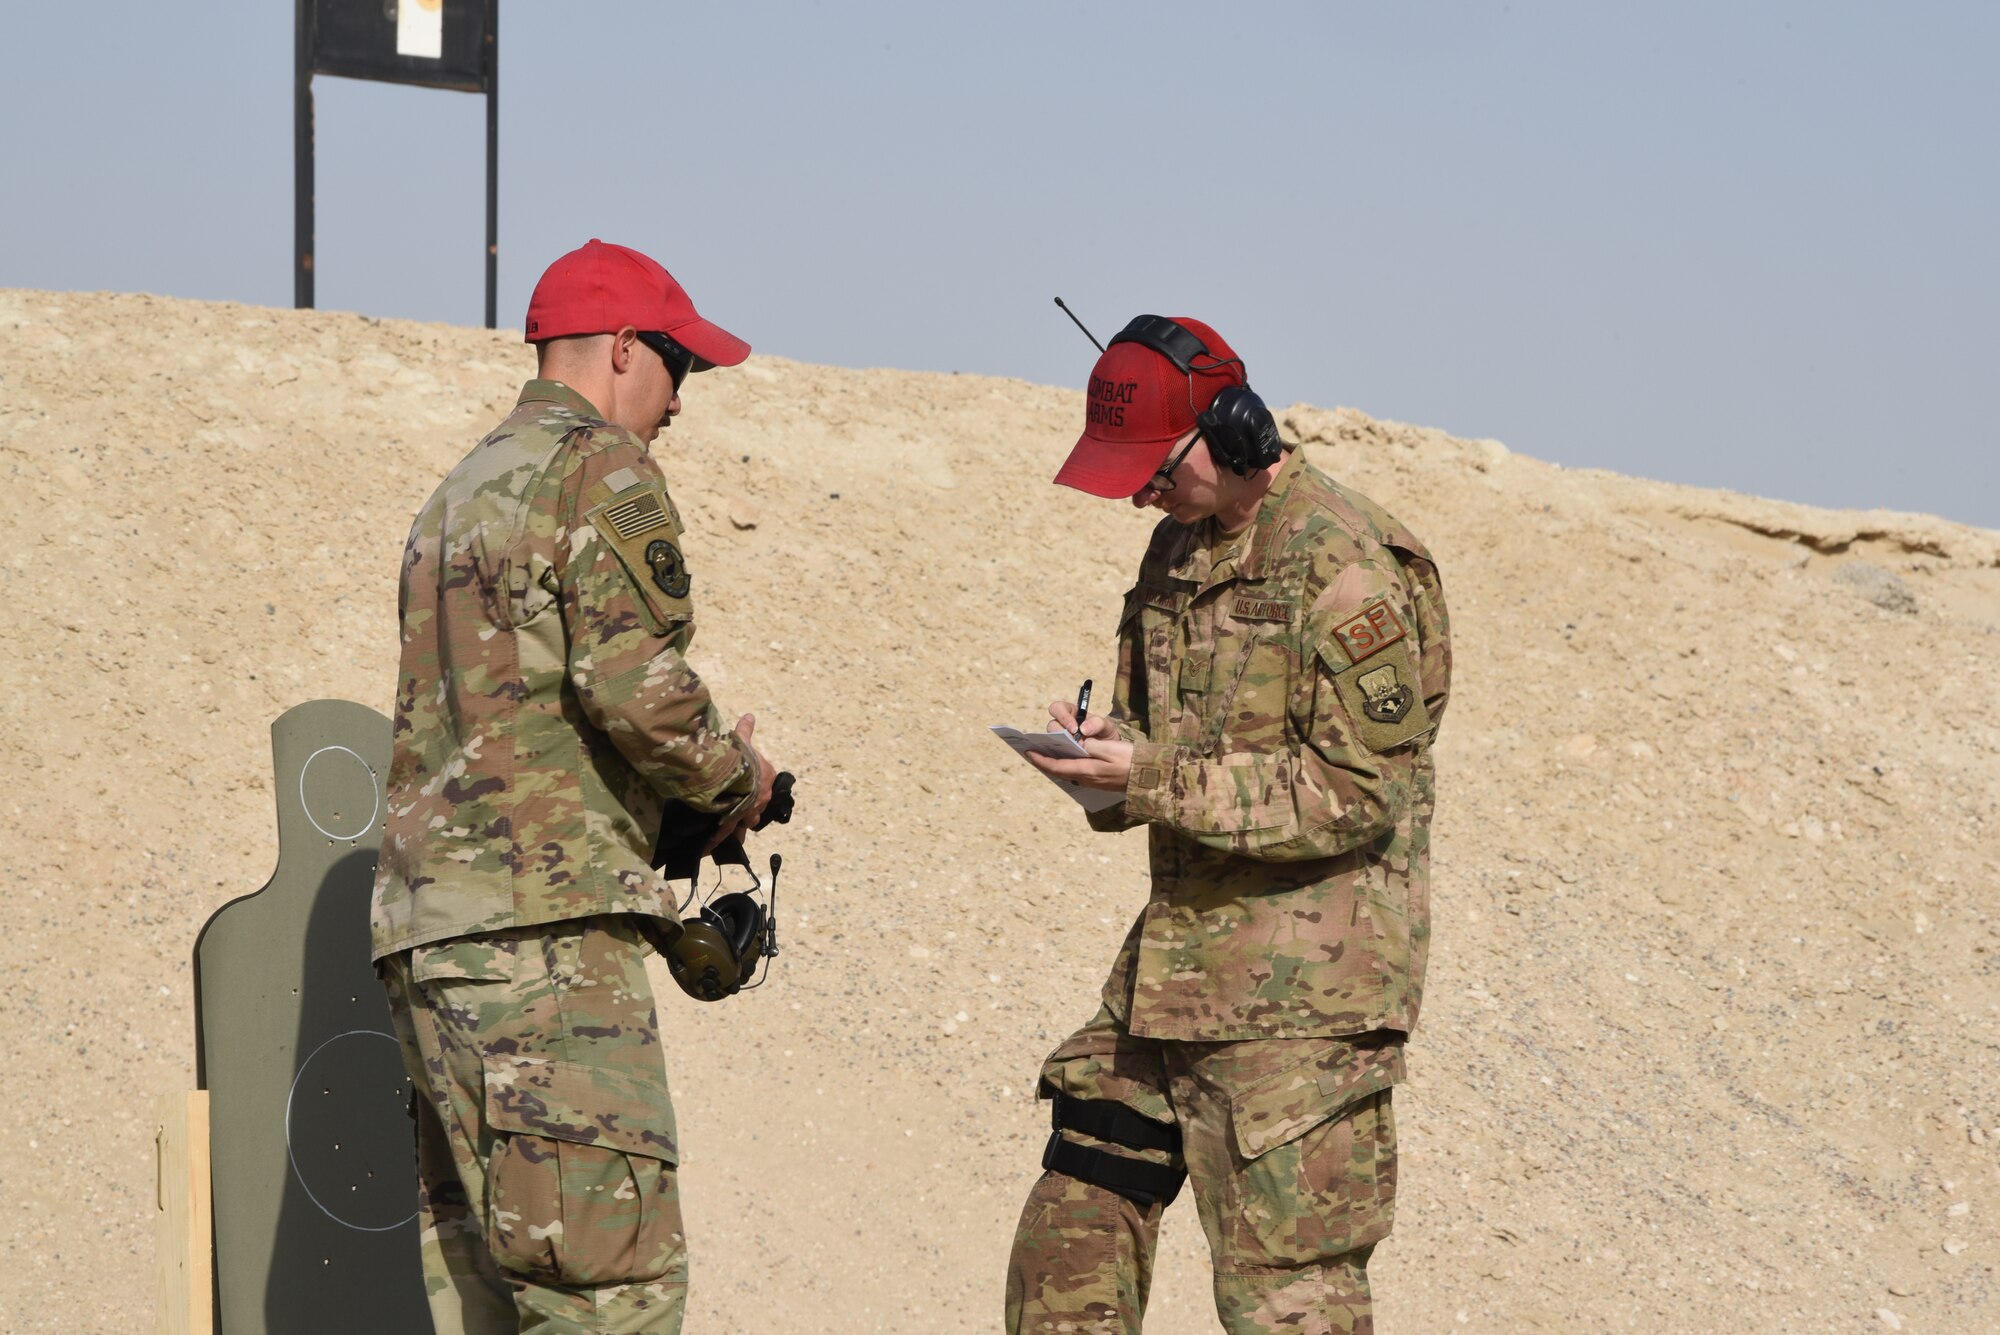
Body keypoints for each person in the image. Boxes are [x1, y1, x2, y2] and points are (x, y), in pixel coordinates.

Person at [1004, 315, 1451, 1335]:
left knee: (1283, 1299)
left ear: (1236, 432)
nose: (1140, 493)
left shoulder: (1345, 568)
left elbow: (1356, 789)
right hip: (1169, 982)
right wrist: (1100, 758)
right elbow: (1169, 745)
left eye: (1154, 469)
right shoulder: (1176, 549)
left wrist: (1154, 776)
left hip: (1298, 1010)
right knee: (1071, 1230)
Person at [371, 238, 779, 1335]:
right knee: (613, 1297)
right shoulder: (598, 467)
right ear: (621, 349)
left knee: (485, 1302)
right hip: (542, 945)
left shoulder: (455, 492)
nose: (679, 404)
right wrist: (742, 778)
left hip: (430, 942)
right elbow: (634, 684)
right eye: (677, 370)